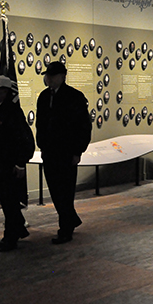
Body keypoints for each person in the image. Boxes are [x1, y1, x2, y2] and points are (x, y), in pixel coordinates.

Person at [36, 61, 92, 244]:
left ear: (62, 76)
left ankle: (65, 228)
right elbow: (41, 124)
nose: (49, 79)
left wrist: (78, 151)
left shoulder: (74, 97)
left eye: (52, 76)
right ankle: (71, 220)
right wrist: (42, 145)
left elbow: (83, 127)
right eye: (48, 75)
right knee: (54, 190)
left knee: (65, 191)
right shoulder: (44, 97)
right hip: (50, 151)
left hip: (67, 152)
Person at [0, 75, 35, 252]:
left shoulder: (13, 112)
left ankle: (10, 237)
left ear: (5, 92)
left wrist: (21, 163)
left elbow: (24, 140)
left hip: (11, 164)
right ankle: (18, 227)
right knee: (7, 201)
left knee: (9, 201)